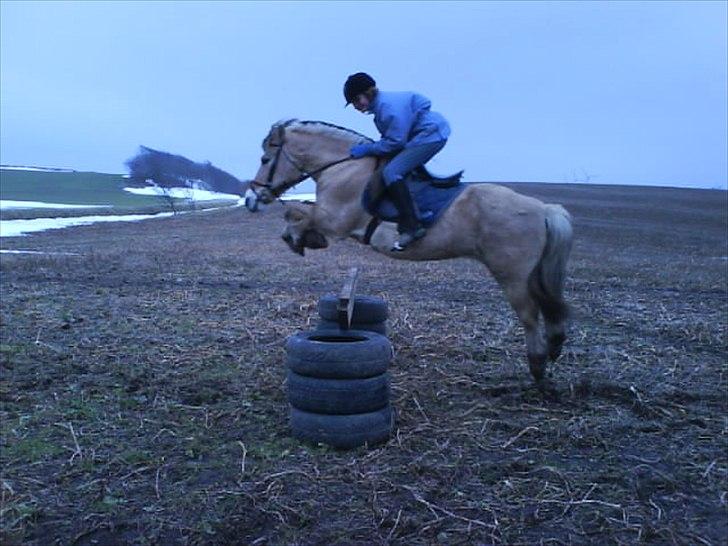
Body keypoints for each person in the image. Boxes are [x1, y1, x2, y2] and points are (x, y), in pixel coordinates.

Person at [344, 72, 451, 251]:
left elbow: (395, 142)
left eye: (356, 100)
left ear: (368, 93)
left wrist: (368, 149)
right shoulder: (381, 108)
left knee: (391, 172)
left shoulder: (387, 107)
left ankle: (413, 225)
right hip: (422, 136)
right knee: (395, 165)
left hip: (431, 136)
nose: (355, 106)